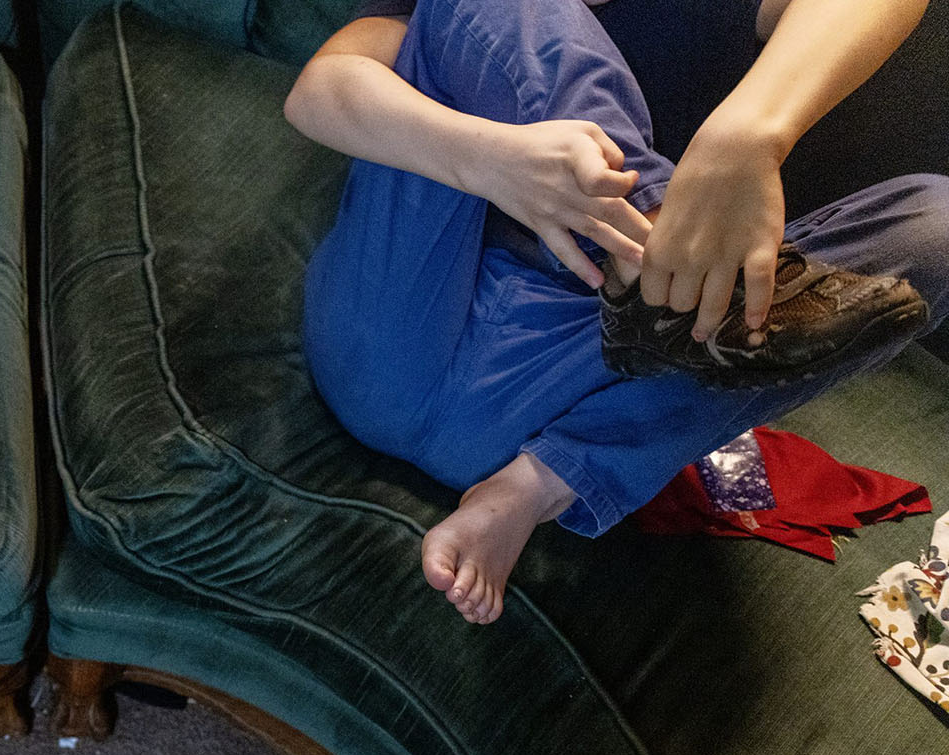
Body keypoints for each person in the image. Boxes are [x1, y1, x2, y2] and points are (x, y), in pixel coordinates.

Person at [286, 0, 948, 624]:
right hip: (398, 326)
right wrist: (495, 161)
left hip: (553, 398)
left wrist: (748, 136)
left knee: (938, 229)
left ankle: (544, 481)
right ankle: (651, 247)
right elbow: (320, 91)